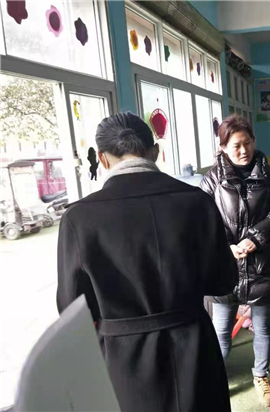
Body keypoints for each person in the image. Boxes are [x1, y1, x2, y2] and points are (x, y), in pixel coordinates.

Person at [57, 112, 238, 412]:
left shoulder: (79, 218)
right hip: (195, 347)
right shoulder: (197, 201)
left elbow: (71, 308)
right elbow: (223, 281)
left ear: (102, 159)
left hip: (123, 360)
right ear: (155, 151)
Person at [200, 115, 270, 408]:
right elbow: (203, 219)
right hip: (225, 267)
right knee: (221, 331)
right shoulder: (212, 179)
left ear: (254, 141)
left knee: (262, 327)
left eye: (247, 143)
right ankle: (214, 379)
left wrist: (255, 238)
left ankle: (261, 376)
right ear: (223, 147)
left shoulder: (268, 174)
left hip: (262, 264)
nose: (243, 150)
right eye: (236, 145)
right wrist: (226, 246)